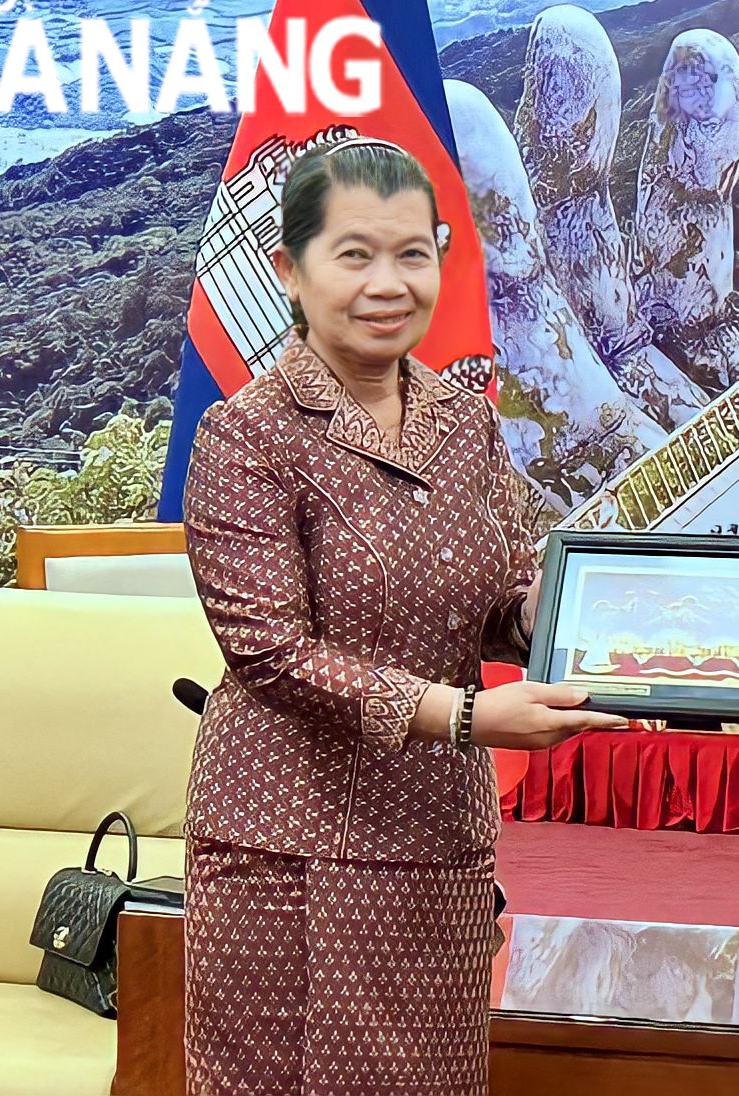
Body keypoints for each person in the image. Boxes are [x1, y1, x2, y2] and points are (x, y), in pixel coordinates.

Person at [180, 137, 625, 1096]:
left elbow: (500, 603)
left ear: (443, 255)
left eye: (412, 253)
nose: (388, 282)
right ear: (289, 270)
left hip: (437, 843)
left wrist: (559, 603)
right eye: (354, 254)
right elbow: (270, 653)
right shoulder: (246, 433)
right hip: (288, 854)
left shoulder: (463, 420)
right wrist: (466, 716)